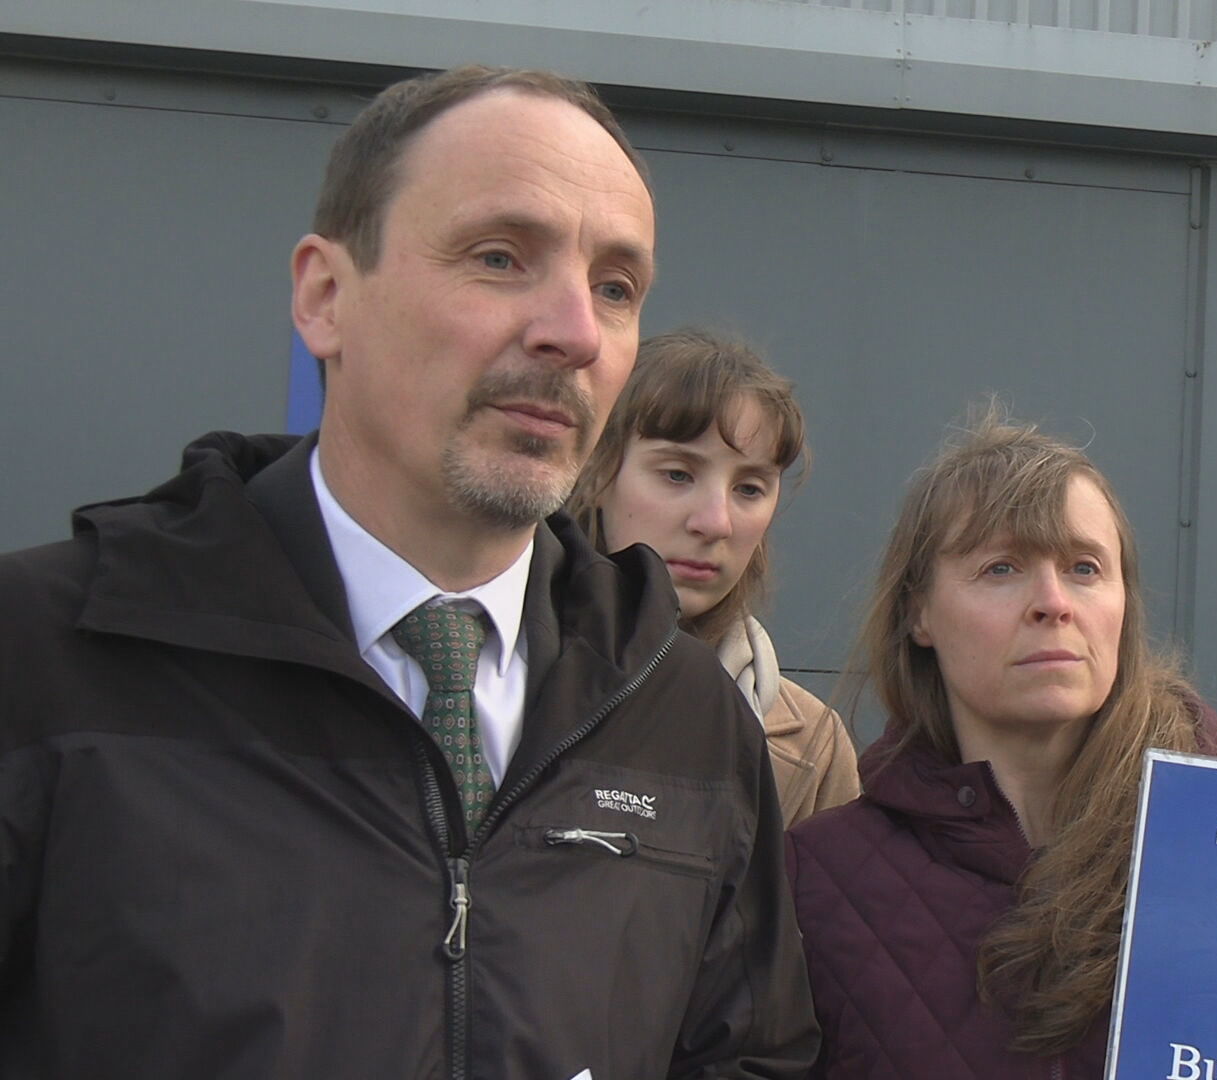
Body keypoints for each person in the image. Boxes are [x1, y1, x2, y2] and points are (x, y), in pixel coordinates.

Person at [0, 66, 815, 1077]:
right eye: (499, 257)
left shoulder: (687, 716)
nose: (572, 331)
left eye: (616, 287)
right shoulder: (45, 656)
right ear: (325, 297)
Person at [784, 411, 1217, 1078]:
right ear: (919, 614)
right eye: (1002, 568)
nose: (1053, 602)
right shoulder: (818, 878)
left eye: (1084, 568)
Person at [568, 328, 859, 827]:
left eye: (749, 488)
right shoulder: (495, 677)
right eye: (678, 474)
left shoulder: (812, 745)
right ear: (597, 472)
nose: (716, 522)